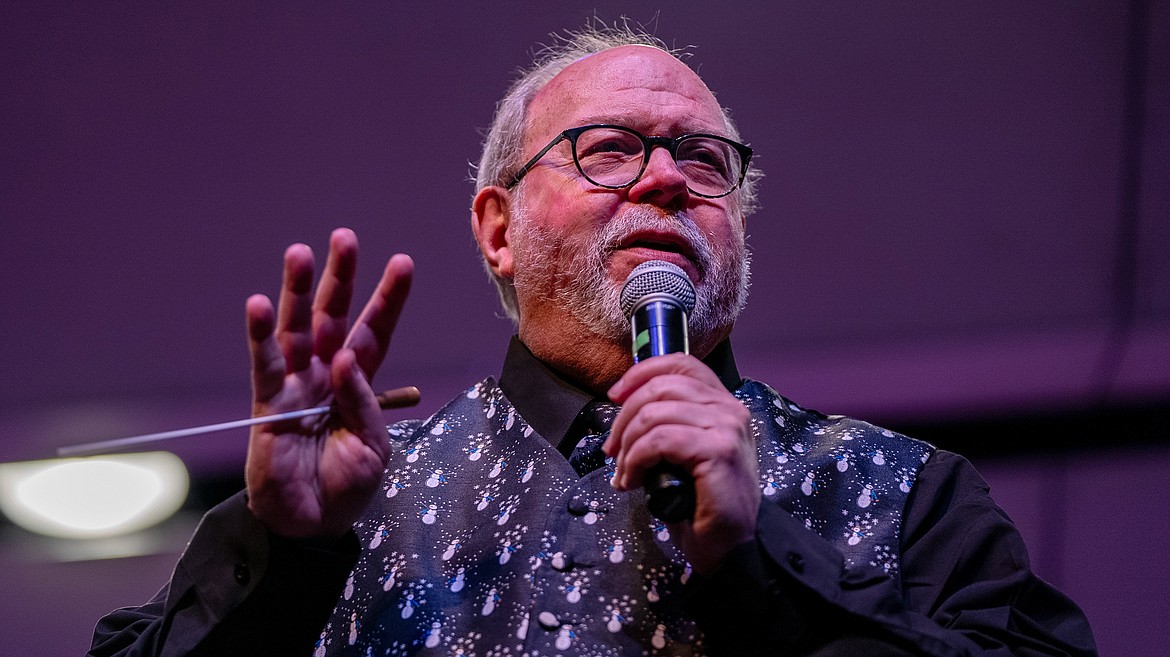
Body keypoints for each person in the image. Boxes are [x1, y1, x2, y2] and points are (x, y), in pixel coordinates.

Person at [89, 26, 1096, 657]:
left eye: (704, 160)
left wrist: (762, 559)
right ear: (497, 229)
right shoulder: (342, 505)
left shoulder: (912, 496)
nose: (665, 179)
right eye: (610, 148)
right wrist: (286, 552)